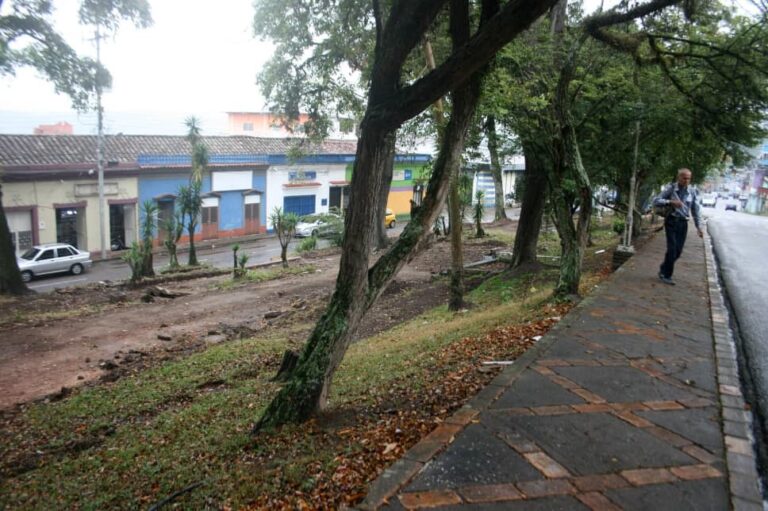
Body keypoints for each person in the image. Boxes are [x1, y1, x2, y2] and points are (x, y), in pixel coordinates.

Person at [653, 168, 703, 285]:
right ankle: (667, 275)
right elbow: (656, 200)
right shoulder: (671, 189)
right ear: (678, 178)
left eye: (688, 178)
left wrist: (699, 227)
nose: (686, 180)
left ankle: (664, 268)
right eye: (684, 178)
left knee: (678, 251)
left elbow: (695, 210)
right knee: (672, 249)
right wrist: (670, 202)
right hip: (671, 221)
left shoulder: (692, 191)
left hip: (683, 223)